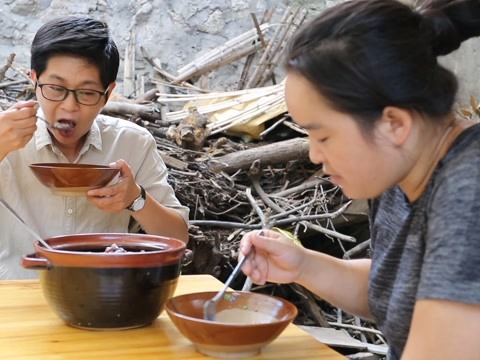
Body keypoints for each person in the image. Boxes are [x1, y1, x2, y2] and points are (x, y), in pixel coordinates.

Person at [239, 1, 480, 359]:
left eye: (322, 137)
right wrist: (303, 265)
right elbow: (400, 293)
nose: (314, 155)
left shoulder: (468, 194)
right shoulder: (400, 171)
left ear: (394, 124)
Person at [0, 16, 189, 279]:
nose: (69, 106)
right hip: (15, 299)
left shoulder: (132, 143)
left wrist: (136, 199)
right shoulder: (4, 135)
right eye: (55, 88)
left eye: (87, 93)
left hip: (104, 300)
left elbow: (178, 237)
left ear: (108, 93)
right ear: (34, 80)